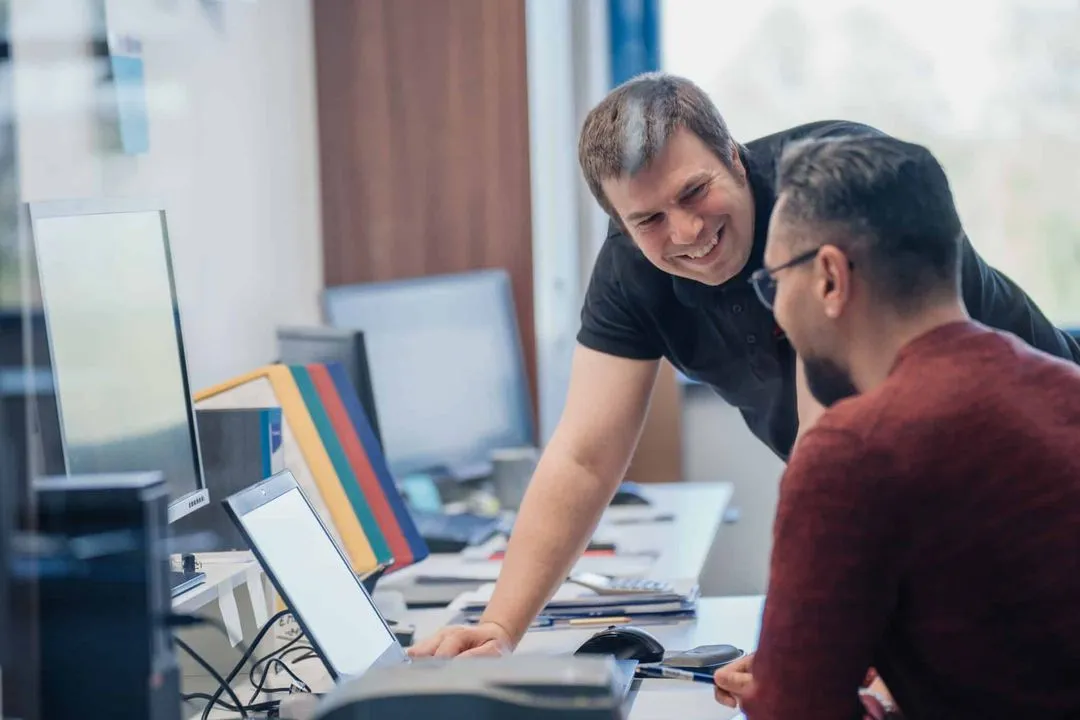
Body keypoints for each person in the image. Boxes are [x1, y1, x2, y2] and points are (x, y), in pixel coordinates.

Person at [408, 73, 1080, 660]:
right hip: (929, 514)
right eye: (647, 219)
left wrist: (813, 646)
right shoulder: (631, 272)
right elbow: (584, 454)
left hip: (1042, 464)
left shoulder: (829, 190)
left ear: (734, 155)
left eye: (695, 191)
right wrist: (500, 622)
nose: (686, 232)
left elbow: (834, 440)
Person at [713, 135, 1080, 719]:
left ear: (829, 278)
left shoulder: (853, 450)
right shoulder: (1065, 391)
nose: (777, 311)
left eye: (773, 282)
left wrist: (789, 680)